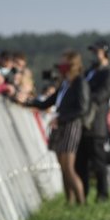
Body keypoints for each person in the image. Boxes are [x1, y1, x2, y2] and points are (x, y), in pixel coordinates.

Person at [28, 51, 90, 205]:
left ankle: (81, 202)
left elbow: (82, 108)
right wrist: (27, 102)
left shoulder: (79, 83)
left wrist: (61, 118)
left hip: (70, 125)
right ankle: (69, 201)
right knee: (62, 167)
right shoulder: (65, 83)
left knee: (69, 167)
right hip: (61, 125)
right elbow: (47, 102)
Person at [77, 39, 110, 202]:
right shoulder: (89, 72)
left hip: (96, 124)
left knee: (98, 162)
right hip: (83, 124)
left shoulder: (108, 73)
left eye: (97, 51)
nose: (94, 55)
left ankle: (103, 193)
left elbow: (102, 94)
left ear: (105, 53)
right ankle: (83, 193)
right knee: (81, 163)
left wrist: (83, 99)